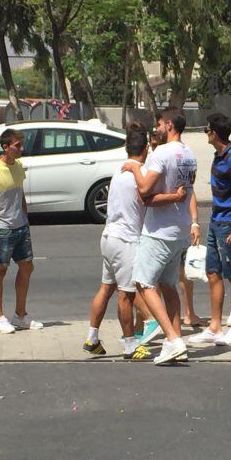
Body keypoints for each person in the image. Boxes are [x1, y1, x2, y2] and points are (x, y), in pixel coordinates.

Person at [84, 124, 186, 360]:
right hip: (126, 240)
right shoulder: (140, 175)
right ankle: (131, 343)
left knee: (106, 287)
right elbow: (148, 198)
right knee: (127, 295)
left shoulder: (119, 171)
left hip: (109, 237)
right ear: (146, 150)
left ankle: (92, 338)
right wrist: (176, 197)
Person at [123, 110, 199, 365]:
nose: (157, 129)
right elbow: (184, 192)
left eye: (159, 124)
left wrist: (135, 168)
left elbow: (144, 189)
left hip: (159, 232)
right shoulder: (189, 154)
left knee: (143, 282)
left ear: (169, 125)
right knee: (168, 286)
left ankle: (172, 338)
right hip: (180, 229)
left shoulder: (162, 153)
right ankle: (175, 340)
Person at [189, 113, 231, 346]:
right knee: (213, 273)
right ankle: (215, 326)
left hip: (230, 224)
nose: (206, 133)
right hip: (216, 221)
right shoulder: (219, 155)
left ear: (214, 133)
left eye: (207, 129)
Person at [0, 128, 42, 334]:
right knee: (0, 270)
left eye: (21, 145)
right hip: (2, 229)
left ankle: (20, 315)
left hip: (20, 227)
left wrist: (25, 218)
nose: (21, 149)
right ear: (5, 147)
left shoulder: (19, 167)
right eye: (17, 146)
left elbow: (20, 194)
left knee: (27, 267)